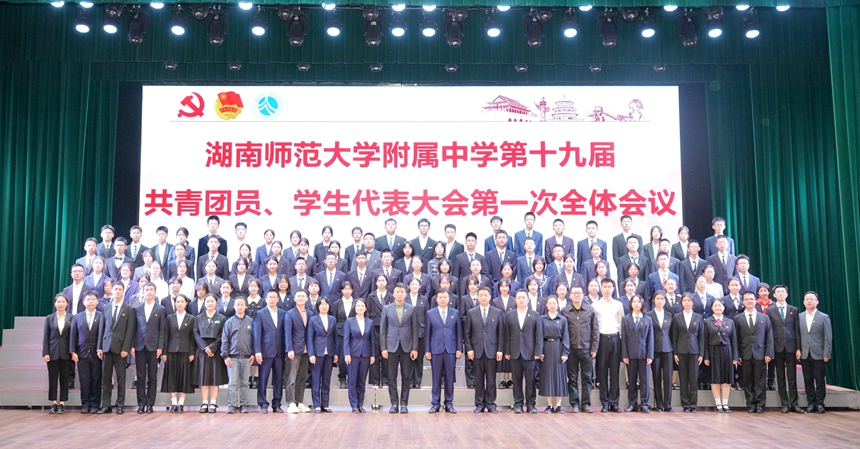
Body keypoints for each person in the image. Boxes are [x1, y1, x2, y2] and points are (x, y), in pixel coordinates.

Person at [97, 282, 136, 415]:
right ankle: (106, 405)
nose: (117, 291)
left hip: (120, 349)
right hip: (106, 347)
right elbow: (102, 328)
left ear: (123, 291)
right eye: (115, 289)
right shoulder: (106, 307)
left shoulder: (129, 309)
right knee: (106, 378)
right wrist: (99, 347)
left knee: (121, 378)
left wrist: (126, 348)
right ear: (111, 291)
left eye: (120, 289)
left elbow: (130, 330)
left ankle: (120, 405)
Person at [381, 283, 419, 413]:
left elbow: (415, 329)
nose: (399, 294)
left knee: (406, 376)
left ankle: (404, 404)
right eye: (397, 292)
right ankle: (394, 404)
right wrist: (383, 348)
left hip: (407, 346)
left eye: (402, 292)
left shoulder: (412, 309)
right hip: (391, 346)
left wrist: (415, 348)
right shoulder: (386, 308)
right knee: (391, 376)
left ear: (405, 293)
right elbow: (383, 329)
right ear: (393, 293)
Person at [464, 286, 504, 413]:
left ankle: (491, 403)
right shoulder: (471, 312)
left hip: (492, 350)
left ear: (490, 297)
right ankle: (479, 404)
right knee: (479, 379)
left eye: (485, 295)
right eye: (480, 295)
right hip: (477, 351)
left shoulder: (497, 312)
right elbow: (467, 333)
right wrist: (469, 349)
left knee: (491, 379)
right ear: (477, 297)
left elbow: (501, 333)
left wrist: (500, 350)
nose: (483, 297)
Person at [503, 289, 542, 414]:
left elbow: (539, 335)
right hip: (514, 352)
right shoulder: (510, 315)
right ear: (515, 300)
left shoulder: (535, 315)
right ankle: (518, 403)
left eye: (523, 297)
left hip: (530, 353)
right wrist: (507, 351)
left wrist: (538, 352)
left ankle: (531, 404)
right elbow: (506, 335)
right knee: (516, 380)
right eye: (519, 298)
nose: (521, 300)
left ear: (528, 300)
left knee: (530, 380)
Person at [766, 285, 804, 413]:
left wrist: (798, 348)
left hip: (791, 347)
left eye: (783, 292)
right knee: (780, 376)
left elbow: (797, 330)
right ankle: (785, 404)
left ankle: (795, 404)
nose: (781, 294)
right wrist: (770, 349)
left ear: (787, 294)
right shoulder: (770, 310)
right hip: (777, 347)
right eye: (778, 292)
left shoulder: (794, 309)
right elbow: (769, 331)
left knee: (792, 377)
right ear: (774, 295)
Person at [560, 285, 597, 413]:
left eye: (579, 293)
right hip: (571, 349)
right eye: (574, 293)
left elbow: (595, 330)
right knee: (572, 378)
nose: (576, 295)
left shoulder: (590, 310)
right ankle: (574, 404)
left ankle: (585, 404)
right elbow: (562, 332)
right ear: (570, 295)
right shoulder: (565, 311)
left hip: (587, 348)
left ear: (583, 295)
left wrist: (594, 348)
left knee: (587, 378)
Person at [734, 291, 773, 413]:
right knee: (747, 380)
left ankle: (760, 404)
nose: (749, 301)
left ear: (755, 300)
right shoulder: (737, 318)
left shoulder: (764, 317)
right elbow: (735, 339)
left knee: (760, 380)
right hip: (745, 354)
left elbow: (769, 337)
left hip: (760, 353)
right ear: (743, 302)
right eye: (746, 299)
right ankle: (750, 404)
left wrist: (769, 353)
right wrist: (737, 355)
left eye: (751, 299)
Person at [425, 288, 463, 414]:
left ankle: (449, 403)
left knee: (449, 377)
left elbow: (458, 332)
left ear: (449, 299)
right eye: (440, 297)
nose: (442, 299)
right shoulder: (430, 313)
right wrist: (427, 350)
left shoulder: (455, 313)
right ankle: (435, 403)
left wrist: (459, 348)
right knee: (436, 378)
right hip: (435, 349)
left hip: (450, 349)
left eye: (444, 297)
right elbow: (428, 333)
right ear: (436, 299)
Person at [132, 283, 165, 414]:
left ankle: (150, 404)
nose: (149, 292)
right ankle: (141, 404)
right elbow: (134, 329)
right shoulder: (137, 309)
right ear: (143, 291)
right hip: (139, 346)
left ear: (155, 292)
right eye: (147, 290)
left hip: (153, 346)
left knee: (152, 377)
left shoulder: (160, 309)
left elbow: (162, 329)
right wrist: (132, 346)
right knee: (140, 377)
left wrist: (160, 347)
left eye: (151, 290)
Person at [254, 289, 288, 414]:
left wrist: (286, 350)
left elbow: (286, 333)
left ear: (278, 299)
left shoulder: (283, 313)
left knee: (278, 380)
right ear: (266, 299)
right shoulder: (260, 314)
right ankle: (263, 404)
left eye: (274, 297)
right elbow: (257, 334)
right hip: (265, 352)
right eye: (270, 297)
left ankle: (277, 404)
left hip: (279, 352)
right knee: (263, 379)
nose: (272, 299)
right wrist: (257, 351)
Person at [798, 291, 832, 413]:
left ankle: (820, 403)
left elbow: (828, 337)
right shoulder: (799, 316)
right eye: (806, 299)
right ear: (803, 302)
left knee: (820, 380)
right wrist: (798, 349)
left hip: (819, 353)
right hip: (805, 353)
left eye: (811, 299)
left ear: (817, 302)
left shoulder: (823, 317)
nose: (809, 301)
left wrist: (827, 353)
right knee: (808, 380)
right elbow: (797, 335)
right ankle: (811, 403)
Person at [161, 294, 196, 413]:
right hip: (171, 351)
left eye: (182, 302)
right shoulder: (169, 318)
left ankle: (181, 403)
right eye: (178, 302)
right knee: (172, 377)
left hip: (186, 351)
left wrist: (192, 352)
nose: (180, 304)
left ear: (186, 303)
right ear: (175, 303)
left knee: (184, 377)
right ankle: (174, 403)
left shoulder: (191, 318)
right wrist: (164, 351)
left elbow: (192, 337)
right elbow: (166, 335)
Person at [592, 278, 623, 413]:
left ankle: (614, 402)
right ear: (601, 288)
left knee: (615, 372)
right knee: (602, 372)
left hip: (615, 338)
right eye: (605, 287)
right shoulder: (595, 305)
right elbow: (594, 326)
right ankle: (604, 402)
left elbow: (621, 324)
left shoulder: (618, 305)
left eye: (609, 287)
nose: (607, 289)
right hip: (602, 339)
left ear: (613, 288)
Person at [194, 293, 229, 413]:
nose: (209, 303)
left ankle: (213, 402)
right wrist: (205, 348)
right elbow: (195, 333)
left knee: (215, 377)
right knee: (203, 377)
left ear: (216, 303)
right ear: (204, 303)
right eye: (207, 301)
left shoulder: (222, 318)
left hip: (216, 351)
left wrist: (212, 348)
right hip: (202, 350)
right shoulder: (198, 317)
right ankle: (204, 402)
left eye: (212, 301)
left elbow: (222, 335)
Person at [671, 293, 705, 413]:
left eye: (689, 301)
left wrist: (701, 353)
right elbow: (674, 336)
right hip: (681, 351)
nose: (687, 302)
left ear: (693, 303)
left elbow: (701, 337)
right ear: (681, 303)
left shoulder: (698, 317)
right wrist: (675, 353)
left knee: (694, 378)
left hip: (694, 351)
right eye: (684, 300)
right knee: (683, 378)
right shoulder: (677, 317)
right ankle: (685, 404)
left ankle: (693, 405)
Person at [70, 292, 104, 414]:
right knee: (84, 380)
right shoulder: (77, 317)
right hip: (81, 353)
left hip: (97, 354)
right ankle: (85, 404)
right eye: (88, 299)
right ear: (83, 302)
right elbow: (73, 335)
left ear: (97, 302)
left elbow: (103, 335)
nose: (90, 301)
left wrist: (101, 348)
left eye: (93, 299)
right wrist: (73, 352)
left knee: (96, 379)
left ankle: (95, 405)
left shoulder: (101, 316)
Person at [703, 299, 738, 413]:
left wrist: (735, 356)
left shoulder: (730, 321)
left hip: (727, 351)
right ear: (711, 308)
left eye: (720, 306)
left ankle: (725, 403)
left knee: (727, 378)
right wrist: (706, 356)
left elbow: (734, 340)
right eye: (715, 306)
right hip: (713, 351)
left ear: (724, 308)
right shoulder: (707, 322)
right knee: (715, 377)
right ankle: (718, 403)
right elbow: (704, 341)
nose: (718, 308)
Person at [221, 297, 254, 414]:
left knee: (245, 382)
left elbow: (255, 339)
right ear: (234, 307)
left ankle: (244, 404)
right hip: (232, 357)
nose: (240, 307)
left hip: (247, 357)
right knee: (232, 383)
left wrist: (253, 353)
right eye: (237, 305)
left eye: (242, 304)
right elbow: (224, 340)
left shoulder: (251, 321)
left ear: (245, 306)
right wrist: (225, 356)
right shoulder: (229, 322)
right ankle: (231, 404)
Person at [621, 295, 653, 413]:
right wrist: (625, 355)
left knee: (645, 380)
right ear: (631, 304)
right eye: (634, 302)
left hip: (644, 354)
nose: (636, 304)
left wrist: (650, 355)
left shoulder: (648, 319)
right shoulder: (625, 319)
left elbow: (650, 338)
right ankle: (632, 403)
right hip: (631, 355)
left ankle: (644, 403)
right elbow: (624, 338)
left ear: (642, 304)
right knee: (632, 380)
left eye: (638, 302)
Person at [539, 296, 570, 414]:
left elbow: (566, 336)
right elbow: (539, 337)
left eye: (554, 303)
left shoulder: (563, 319)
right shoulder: (542, 319)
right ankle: (549, 405)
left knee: (559, 376)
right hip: (546, 348)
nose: (552, 305)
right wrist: (540, 352)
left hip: (558, 348)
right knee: (547, 376)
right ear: (546, 305)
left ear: (557, 305)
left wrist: (565, 353)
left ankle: (558, 405)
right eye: (550, 303)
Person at [343, 299, 376, 413]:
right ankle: (354, 405)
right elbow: (346, 339)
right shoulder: (349, 321)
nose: (360, 308)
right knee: (352, 381)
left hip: (366, 354)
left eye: (362, 306)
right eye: (358, 306)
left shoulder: (370, 322)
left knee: (362, 381)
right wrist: (347, 353)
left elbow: (372, 340)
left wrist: (372, 354)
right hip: (353, 354)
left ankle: (360, 404)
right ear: (355, 308)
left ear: (366, 308)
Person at [307, 297, 339, 413]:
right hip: (317, 353)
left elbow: (335, 338)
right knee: (316, 379)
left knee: (326, 379)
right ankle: (316, 404)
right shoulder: (313, 319)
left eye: (326, 304)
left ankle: (325, 404)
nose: (324, 306)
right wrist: (311, 354)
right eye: (322, 304)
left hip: (329, 353)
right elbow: (310, 338)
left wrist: (336, 353)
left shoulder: (332, 319)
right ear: (318, 306)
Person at [283, 289, 312, 413]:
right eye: (298, 296)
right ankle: (290, 403)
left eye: (303, 296)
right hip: (294, 350)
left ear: (307, 299)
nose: (300, 298)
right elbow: (287, 332)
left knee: (302, 377)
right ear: (294, 299)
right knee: (291, 378)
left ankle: (299, 402)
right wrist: (289, 348)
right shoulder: (289, 314)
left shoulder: (310, 314)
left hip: (306, 350)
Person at [43, 293, 73, 414]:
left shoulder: (72, 318)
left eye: (63, 302)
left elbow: (73, 337)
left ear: (67, 304)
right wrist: (45, 352)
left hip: (66, 353)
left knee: (65, 379)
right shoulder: (49, 318)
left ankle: (62, 403)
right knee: (52, 378)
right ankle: (54, 403)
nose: (61, 304)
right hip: (52, 352)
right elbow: (45, 337)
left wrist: (72, 352)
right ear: (55, 304)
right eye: (58, 302)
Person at [647, 291, 674, 412]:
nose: (660, 301)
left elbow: (672, 333)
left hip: (668, 349)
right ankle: (659, 404)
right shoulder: (649, 315)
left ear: (665, 301)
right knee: (656, 377)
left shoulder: (669, 315)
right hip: (654, 349)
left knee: (668, 378)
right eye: (658, 298)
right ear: (654, 300)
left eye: (662, 299)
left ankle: (667, 404)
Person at [367, 273, 393, 387]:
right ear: (376, 283)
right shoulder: (371, 296)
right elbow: (367, 312)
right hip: (375, 328)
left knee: (386, 355)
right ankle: (375, 381)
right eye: (379, 280)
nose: (381, 282)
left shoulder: (391, 296)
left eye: (383, 280)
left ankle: (386, 380)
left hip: (388, 329)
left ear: (387, 282)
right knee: (375, 354)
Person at [333, 281, 356, 389]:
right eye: (345, 289)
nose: (347, 291)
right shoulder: (337, 303)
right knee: (342, 357)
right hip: (340, 332)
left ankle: (351, 378)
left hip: (354, 332)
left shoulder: (356, 302)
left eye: (349, 289)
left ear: (352, 290)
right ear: (341, 291)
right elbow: (334, 319)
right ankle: (342, 378)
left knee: (353, 356)